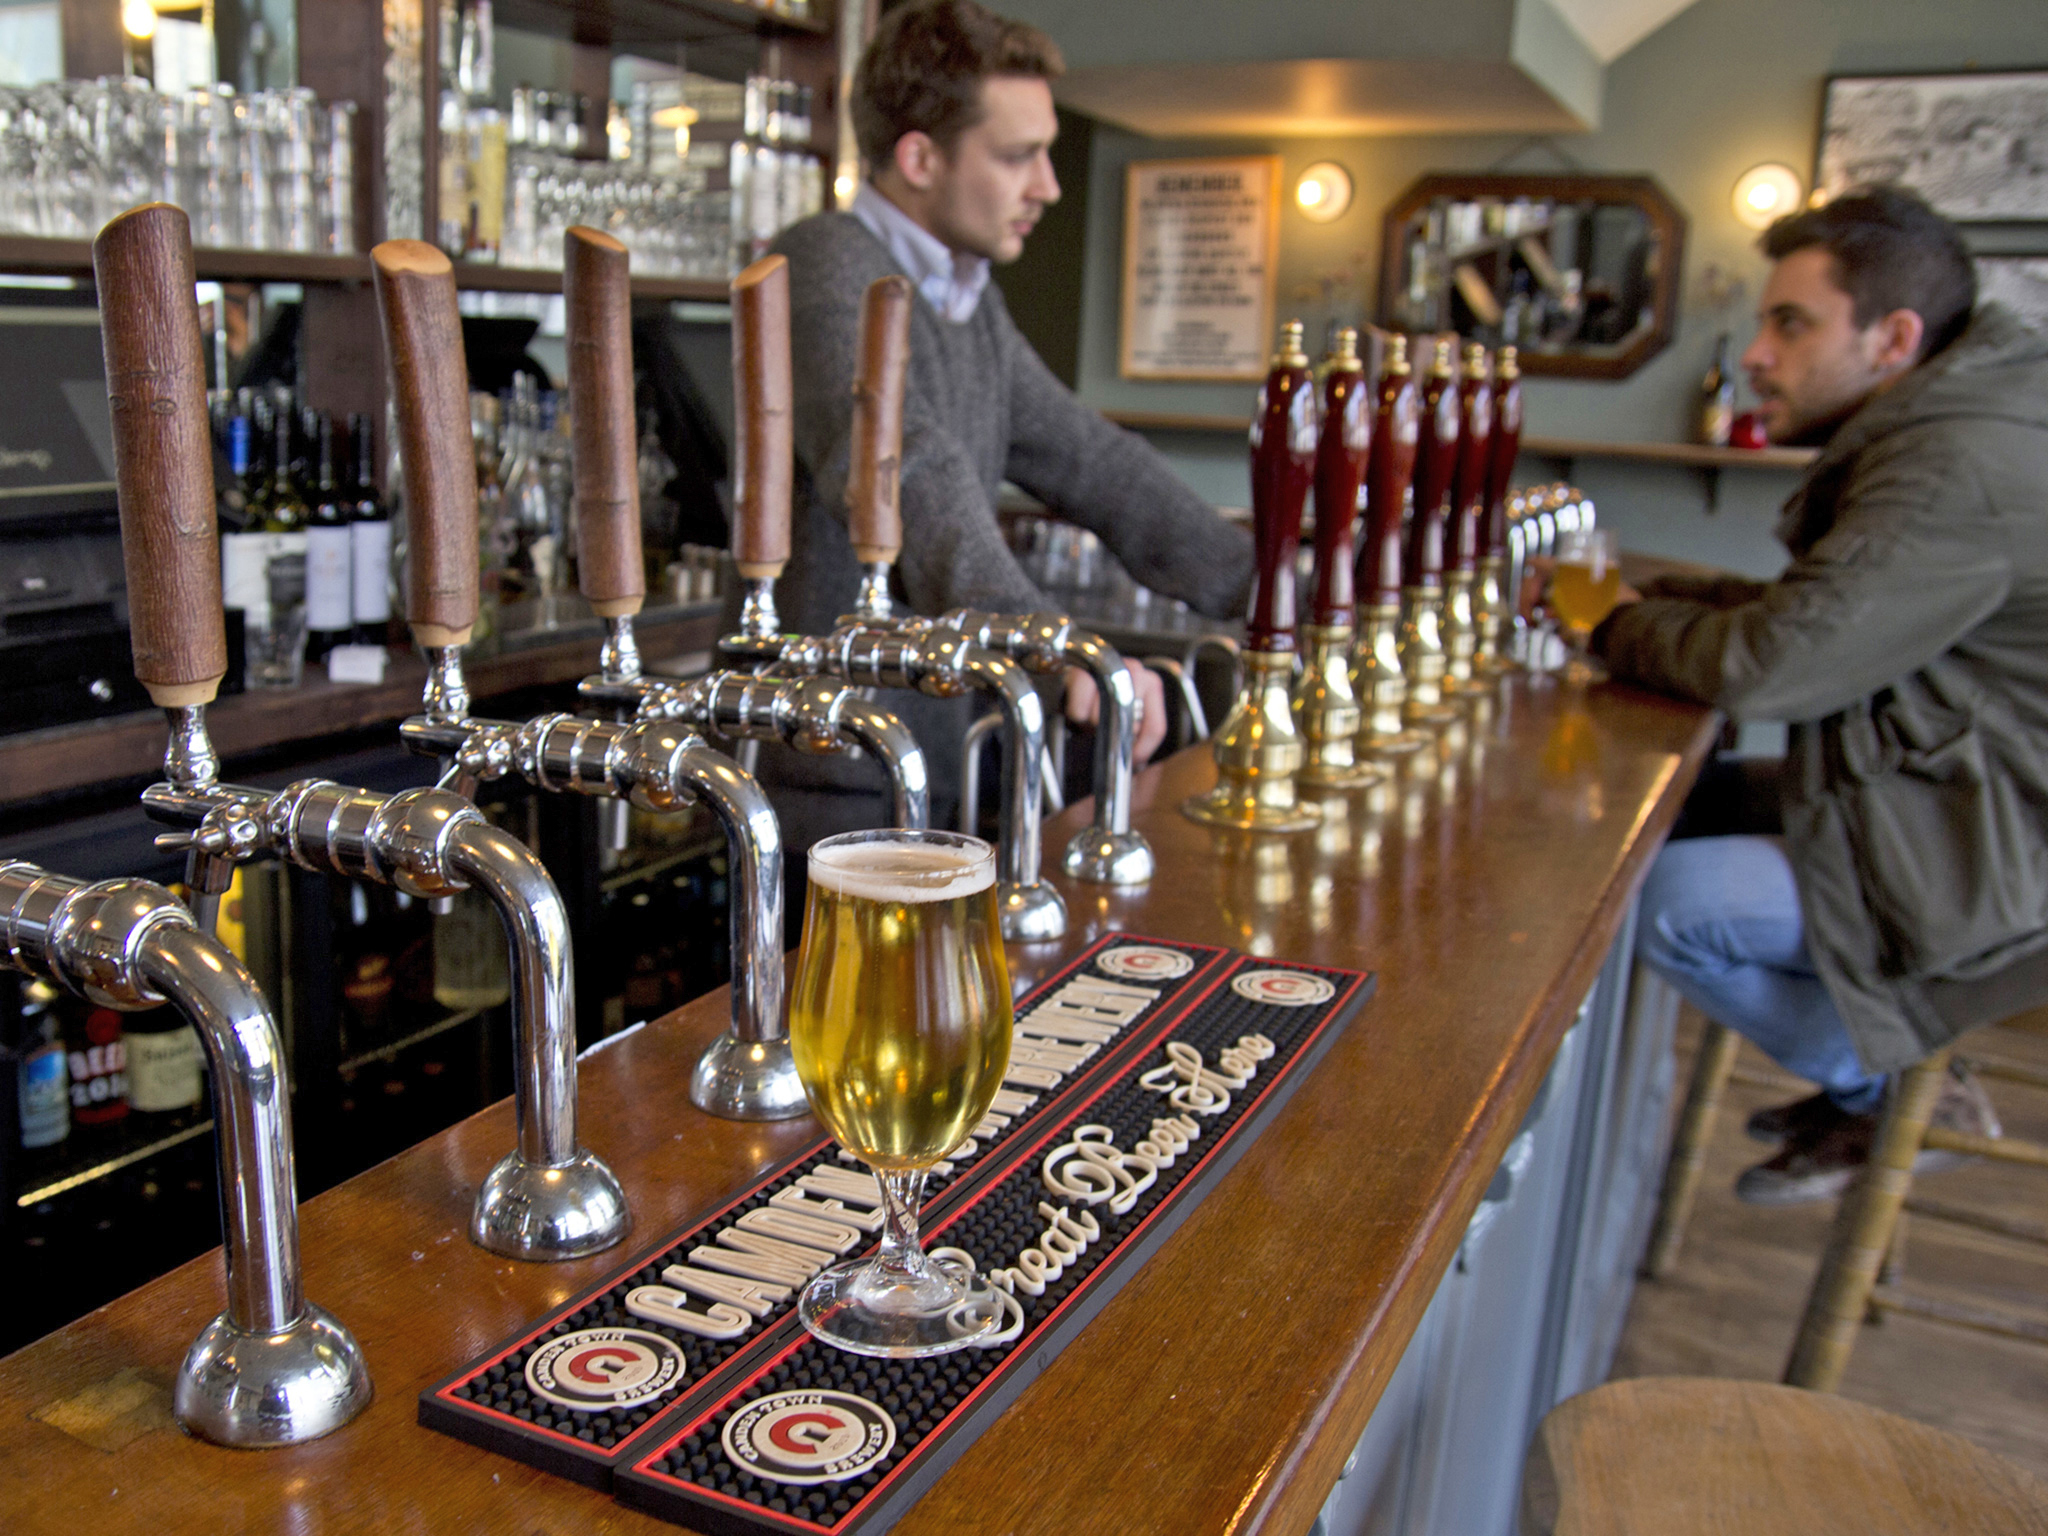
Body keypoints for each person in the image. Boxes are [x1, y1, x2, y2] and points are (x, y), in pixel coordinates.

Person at [1595, 185, 2048, 1204]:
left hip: (1990, 852)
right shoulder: (1956, 421)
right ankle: (1869, 1072)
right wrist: (1676, 599)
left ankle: (1888, 1085)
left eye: (1788, 323)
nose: (1755, 353)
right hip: (1950, 800)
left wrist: (1609, 627)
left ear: (1892, 337)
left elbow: (1773, 665)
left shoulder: (1949, 464)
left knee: (1661, 903)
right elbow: (1830, 613)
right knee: (1679, 811)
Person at [763, 0, 1253, 838]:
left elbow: (1093, 461)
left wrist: (1283, 589)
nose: (1048, 187)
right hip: (835, 771)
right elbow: (905, 467)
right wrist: (1046, 646)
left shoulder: (967, 301)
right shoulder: (825, 262)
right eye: (1020, 156)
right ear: (919, 157)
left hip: (937, 753)